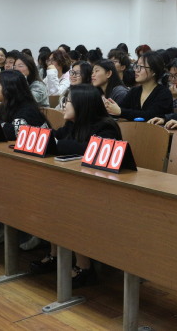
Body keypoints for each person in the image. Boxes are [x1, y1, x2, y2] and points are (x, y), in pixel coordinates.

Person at [30, 85, 122, 287]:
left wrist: (56, 144)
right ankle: (55, 255)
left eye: (68, 101)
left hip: (104, 192)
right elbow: (56, 137)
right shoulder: (73, 124)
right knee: (49, 197)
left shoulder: (106, 127)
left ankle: (84, 267)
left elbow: (94, 151)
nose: (63, 105)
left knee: (70, 205)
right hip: (77, 186)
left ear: (83, 104)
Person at [0, 70, 50, 248]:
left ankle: (26, 233)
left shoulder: (28, 110)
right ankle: (0, 227)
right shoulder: (6, 107)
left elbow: (13, 133)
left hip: (38, 168)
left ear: (9, 89)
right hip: (16, 163)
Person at [104, 51, 173, 120]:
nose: (136, 70)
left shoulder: (164, 93)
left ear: (153, 71)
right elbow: (119, 110)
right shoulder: (134, 91)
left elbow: (151, 115)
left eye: (141, 67)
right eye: (136, 66)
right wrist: (110, 107)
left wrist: (121, 112)